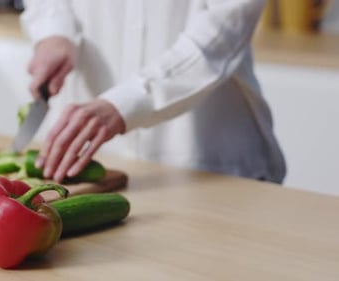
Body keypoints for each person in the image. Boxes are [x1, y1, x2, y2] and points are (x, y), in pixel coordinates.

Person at [19, 0, 286, 184]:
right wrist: (53, 31)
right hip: (95, 165)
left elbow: (225, 27)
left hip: (209, 164)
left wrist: (126, 102)